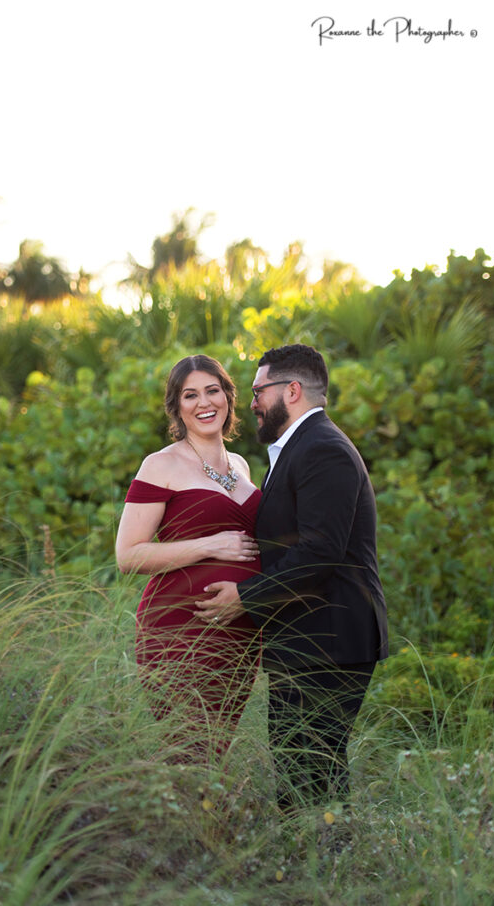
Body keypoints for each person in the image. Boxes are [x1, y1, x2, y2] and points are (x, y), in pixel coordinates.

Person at [195, 343, 388, 809]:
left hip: (330, 638)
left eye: (259, 390)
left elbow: (320, 552)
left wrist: (245, 597)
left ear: (293, 390)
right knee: (308, 771)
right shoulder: (299, 447)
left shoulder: (323, 449)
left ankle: (320, 866)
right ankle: (328, 862)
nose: (253, 402)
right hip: (307, 636)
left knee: (306, 777)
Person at [116, 354, 261, 760]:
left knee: (214, 753)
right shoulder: (160, 464)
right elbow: (127, 555)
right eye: (190, 394)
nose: (204, 403)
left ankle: (206, 822)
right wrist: (210, 546)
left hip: (238, 632)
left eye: (212, 391)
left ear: (228, 398)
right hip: (179, 628)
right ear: (177, 406)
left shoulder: (241, 465)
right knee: (187, 749)